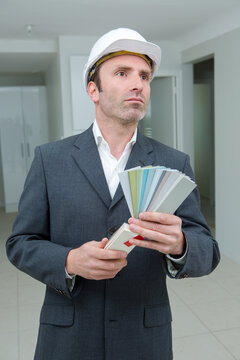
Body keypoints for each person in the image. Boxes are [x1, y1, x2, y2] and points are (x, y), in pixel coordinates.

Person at [6, 28, 220, 360]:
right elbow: (20, 244)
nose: (139, 84)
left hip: (143, 337)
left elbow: (208, 249)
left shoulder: (174, 162)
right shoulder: (50, 159)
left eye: (145, 76)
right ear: (94, 89)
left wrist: (181, 245)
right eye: (122, 73)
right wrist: (69, 260)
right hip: (69, 336)